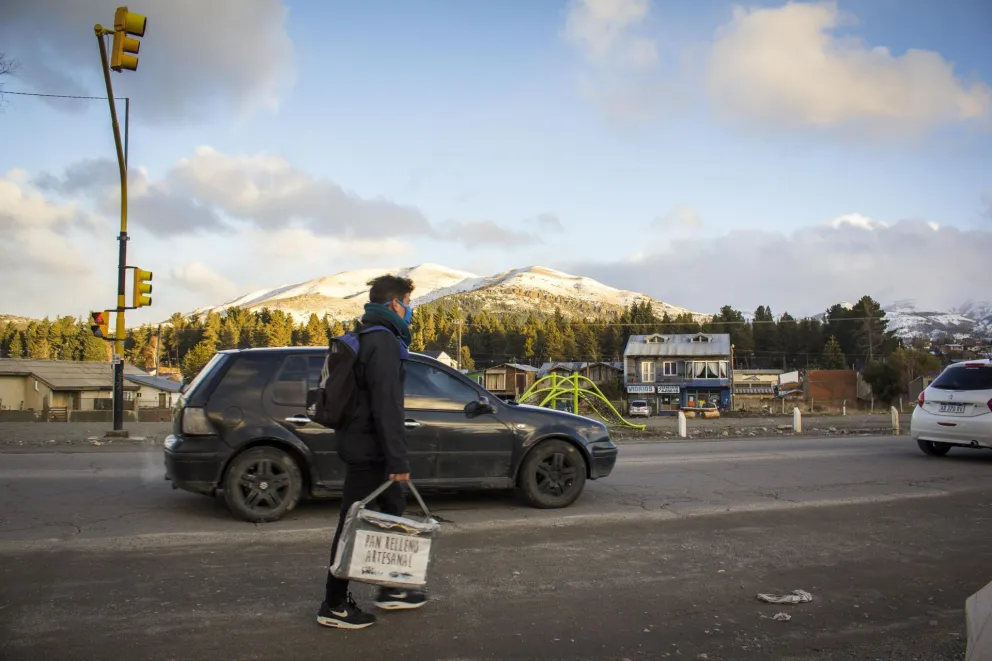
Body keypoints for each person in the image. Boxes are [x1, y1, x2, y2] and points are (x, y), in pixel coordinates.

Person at [317, 274, 427, 630]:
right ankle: (333, 604)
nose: (409, 310)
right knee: (352, 524)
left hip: (365, 445)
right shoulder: (382, 342)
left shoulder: (368, 335)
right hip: (370, 451)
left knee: (393, 511)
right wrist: (398, 459)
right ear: (394, 304)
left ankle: (393, 586)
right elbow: (387, 405)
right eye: (408, 303)